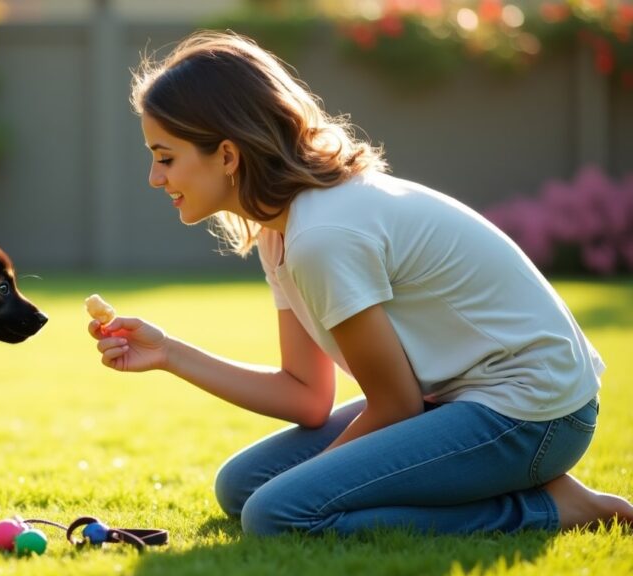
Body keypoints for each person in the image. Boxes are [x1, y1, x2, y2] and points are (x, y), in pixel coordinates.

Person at [87, 30, 633, 536]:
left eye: (165, 158)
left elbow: (394, 404)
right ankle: (502, 480)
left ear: (227, 155)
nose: (155, 178)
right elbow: (307, 396)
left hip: (533, 414)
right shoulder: (280, 231)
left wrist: (312, 485)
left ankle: (551, 507)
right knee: (242, 487)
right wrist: (170, 354)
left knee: (277, 513)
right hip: (456, 400)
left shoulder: (322, 235)